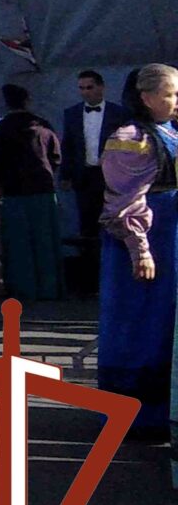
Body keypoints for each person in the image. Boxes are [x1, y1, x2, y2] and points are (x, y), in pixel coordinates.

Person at [98, 64, 178, 443]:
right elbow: (125, 201)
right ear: (147, 98)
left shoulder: (170, 131)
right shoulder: (131, 138)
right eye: (171, 94)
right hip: (148, 239)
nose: (177, 101)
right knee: (140, 322)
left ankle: (165, 411)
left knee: (166, 324)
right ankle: (135, 416)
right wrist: (140, 250)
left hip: (171, 238)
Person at [0, 84, 62, 302]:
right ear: (27, 101)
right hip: (43, 189)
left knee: (19, 243)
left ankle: (24, 288)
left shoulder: (0, 129)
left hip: (14, 191)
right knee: (45, 241)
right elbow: (56, 157)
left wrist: (1, 182)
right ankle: (50, 287)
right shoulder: (44, 126)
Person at [60, 69, 128, 296]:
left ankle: (116, 277)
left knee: (114, 222)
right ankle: (90, 280)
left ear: (101, 87)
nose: (85, 92)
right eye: (81, 88)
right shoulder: (72, 113)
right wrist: (66, 175)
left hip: (111, 175)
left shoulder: (119, 113)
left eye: (89, 87)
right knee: (87, 226)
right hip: (85, 175)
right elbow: (68, 145)